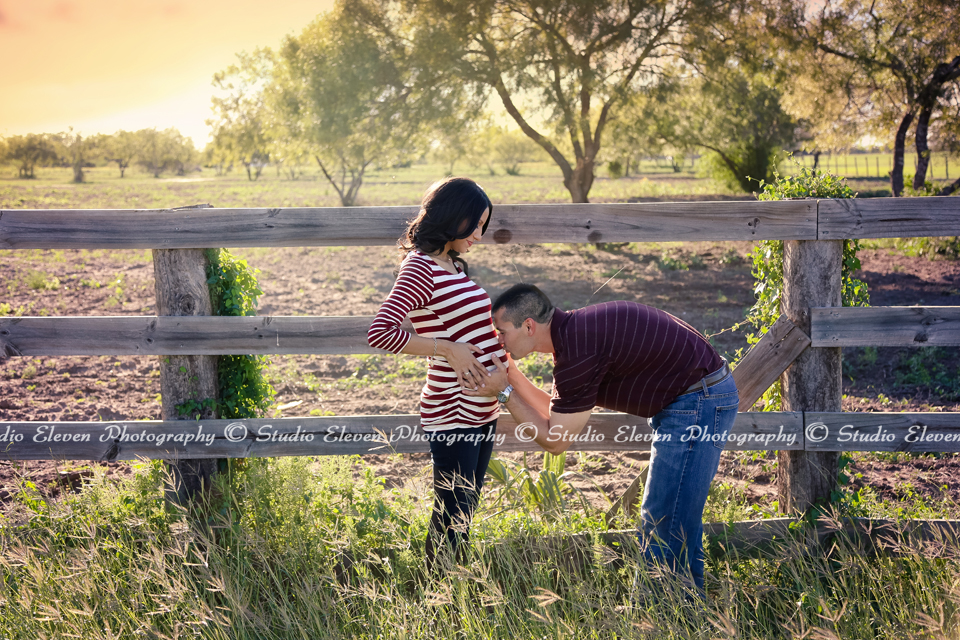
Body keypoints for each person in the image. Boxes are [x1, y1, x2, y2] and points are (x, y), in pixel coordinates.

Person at [465, 283, 738, 597]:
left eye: (501, 332)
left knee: (664, 516)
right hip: (695, 395)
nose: (498, 340)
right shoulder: (574, 336)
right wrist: (509, 373)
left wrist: (503, 393)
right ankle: (683, 609)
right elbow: (558, 414)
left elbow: (556, 440)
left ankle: (665, 613)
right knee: (675, 514)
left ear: (529, 326)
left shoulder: (578, 352)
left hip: (698, 400)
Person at [367, 177, 503, 571]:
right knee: (452, 517)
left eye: (484, 226)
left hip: (482, 406)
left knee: (464, 513)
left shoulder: (453, 265)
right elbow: (382, 333)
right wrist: (447, 349)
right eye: (474, 224)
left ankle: (449, 594)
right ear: (451, 217)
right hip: (453, 407)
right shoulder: (421, 267)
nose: (479, 234)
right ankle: (435, 598)